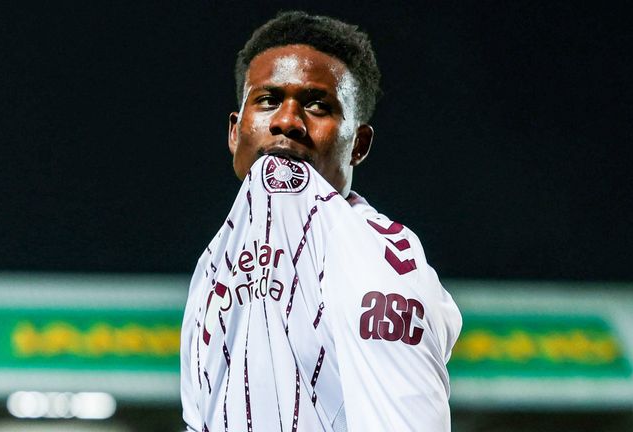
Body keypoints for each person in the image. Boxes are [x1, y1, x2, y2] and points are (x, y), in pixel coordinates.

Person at [181, 11, 461, 431]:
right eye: (268, 100)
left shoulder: (376, 258)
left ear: (358, 145)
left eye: (317, 105)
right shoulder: (215, 262)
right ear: (235, 132)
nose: (287, 121)